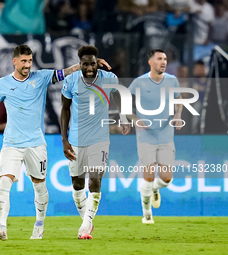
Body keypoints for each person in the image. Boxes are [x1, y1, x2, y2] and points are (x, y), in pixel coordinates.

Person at [0, 44, 110, 240]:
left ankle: (39, 225)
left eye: (30, 61)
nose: (27, 65)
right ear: (14, 61)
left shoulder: (41, 77)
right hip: (11, 143)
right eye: (23, 61)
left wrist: (88, 65)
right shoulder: (2, 84)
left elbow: (66, 72)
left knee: (39, 186)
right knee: (4, 182)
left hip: (36, 144)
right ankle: (2, 227)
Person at [60, 45, 130, 239]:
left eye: (93, 63)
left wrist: (123, 118)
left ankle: (85, 226)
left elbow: (118, 98)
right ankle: (86, 220)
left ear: (98, 63)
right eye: (85, 64)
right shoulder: (71, 81)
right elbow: (65, 110)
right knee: (77, 184)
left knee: (96, 179)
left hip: (100, 139)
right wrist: (64, 140)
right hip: (75, 140)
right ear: (79, 65)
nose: (90, 68)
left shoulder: (109, 79)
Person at [126, 49, 183, 224]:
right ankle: (146, 213)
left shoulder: (172, 81)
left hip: (166, 136)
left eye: (165, 59)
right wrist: (134, 119)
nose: (164, 62)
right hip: (145, 137)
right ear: (150, 62)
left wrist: (177, 115)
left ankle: (155, 190)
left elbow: (179, 101)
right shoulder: (139, 82)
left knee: (166, 179)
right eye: (159, 59)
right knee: (148, 177)